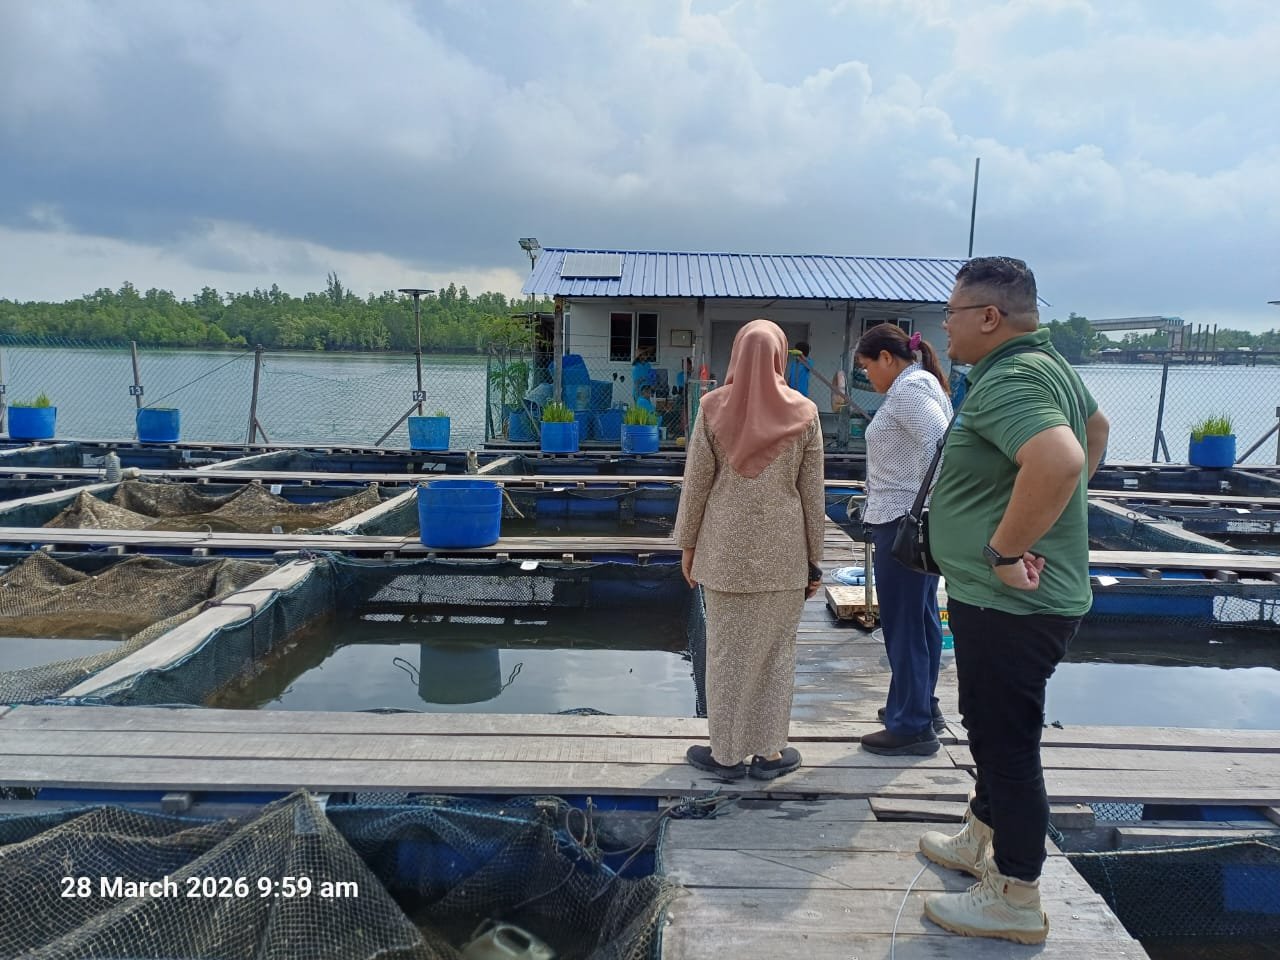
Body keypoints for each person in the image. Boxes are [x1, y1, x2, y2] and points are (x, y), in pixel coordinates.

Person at [919, 257, 1109, 944]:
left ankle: (1016, 895)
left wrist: (1005, 550)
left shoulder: (1012, 378)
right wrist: (1052, 520)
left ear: (989, 317)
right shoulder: (1048, 364)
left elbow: (1061, 459)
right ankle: (982, 835)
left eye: (951, 314)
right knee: (987, 723)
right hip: (1018, 602)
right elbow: (1097, 431)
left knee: (1007, 744)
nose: (944, 328)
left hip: (1013, 606)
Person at [674, 318, 826, 781]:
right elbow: (812, 494)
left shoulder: (711, 407)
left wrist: (687, 544)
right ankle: (770, 753)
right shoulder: (806, 413)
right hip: (785, 554)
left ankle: (725, 755)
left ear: (738, 354)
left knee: (725, 654)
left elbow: (696, 483)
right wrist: (814, 560)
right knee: (776, 653)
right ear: (781, 356)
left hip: (723, 553)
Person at [853, 325, 952, 757]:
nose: (867, 375)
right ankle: (920, 705)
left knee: (904, 624)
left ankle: (911, 726)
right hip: (913, 521)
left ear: (886, 358)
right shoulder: (922, 383)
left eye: (866, 366)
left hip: (903, 522)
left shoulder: (909, 392)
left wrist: (923, 500)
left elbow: (944, 446)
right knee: (922, 617)